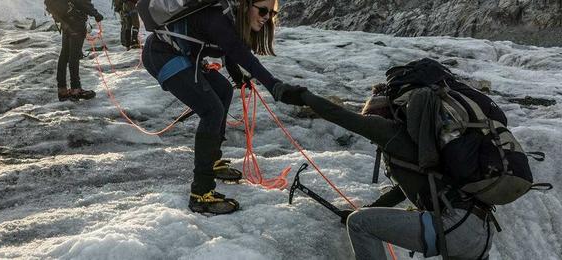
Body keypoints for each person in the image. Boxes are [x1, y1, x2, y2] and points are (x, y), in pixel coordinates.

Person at [275, 60, 503, 259]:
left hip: (454, 227)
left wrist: (305, 96)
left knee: (359, 224)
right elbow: (405, 190)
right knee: (360, 218)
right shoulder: (425, 141)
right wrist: (369, 209)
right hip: (479, 231)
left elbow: (341, 116)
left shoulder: (389, 130)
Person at [141, 0, 304, 215]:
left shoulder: (230, 17)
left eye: (271, 13)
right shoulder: (218, 18)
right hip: (162, 55)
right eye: (263, 10)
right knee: (211, 110)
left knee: (224, 90)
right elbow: (240, 53)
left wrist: (237, 75)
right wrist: (274, 85)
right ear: (247, 5)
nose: (266, 17)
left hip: (181, 54)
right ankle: (201, 193)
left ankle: (213, 161)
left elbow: (228, 49)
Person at [45, 0, 105, 101]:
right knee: (74, 56)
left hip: (65, 22)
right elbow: (82, 2)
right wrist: (95, 14)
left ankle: (62, 89)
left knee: (64, 55)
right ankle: (75, 89)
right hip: (76, 22)